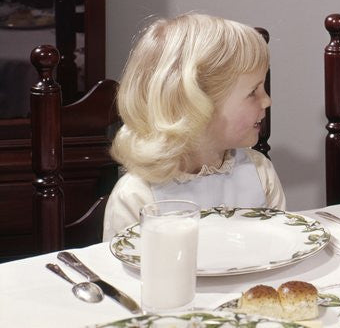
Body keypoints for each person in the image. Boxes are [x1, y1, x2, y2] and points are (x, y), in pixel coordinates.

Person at [102, 13, 286, 239]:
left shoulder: (259, 172)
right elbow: (124, 262)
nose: (267, 100)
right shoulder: (137, 196)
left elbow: (282, 249)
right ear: (195, 104)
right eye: (253, 92)